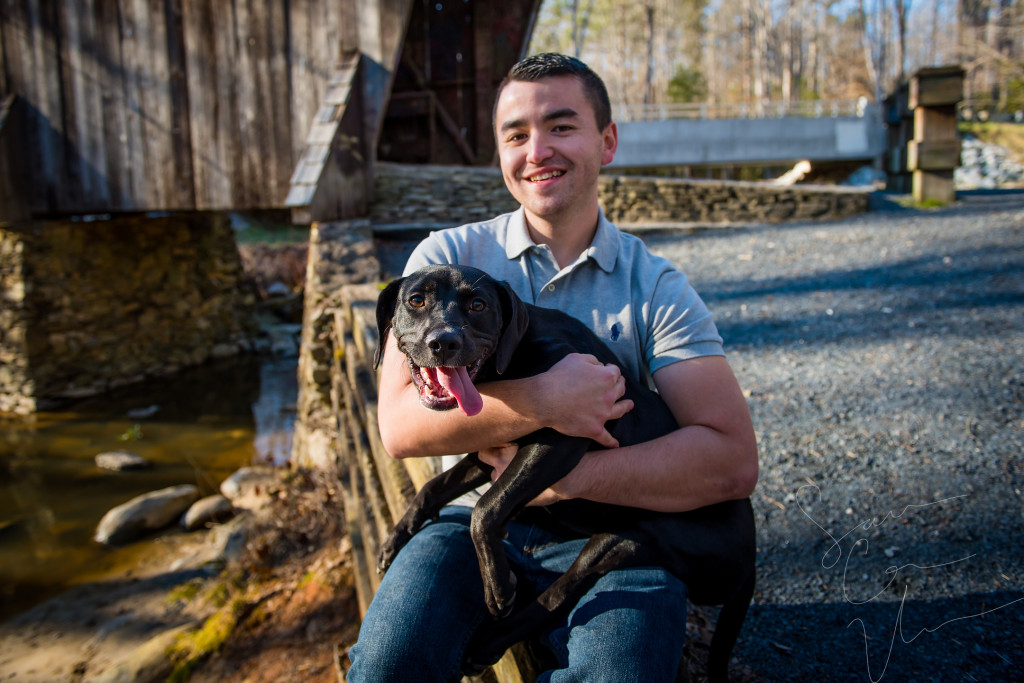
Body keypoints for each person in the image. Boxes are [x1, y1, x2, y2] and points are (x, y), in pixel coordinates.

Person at [346, 53, 758, 682]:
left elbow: (731, 460)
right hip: (470, 522)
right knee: (383, 668)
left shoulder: (655, 288)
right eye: (516, 134)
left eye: (561, 126)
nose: (537, 149)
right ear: (500, 154)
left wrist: (573, 478)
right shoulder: (446, 259)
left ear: (607, 141)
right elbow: (401, 429)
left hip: (622, 535)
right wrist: (544, 400)